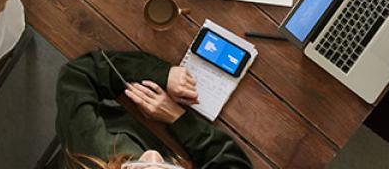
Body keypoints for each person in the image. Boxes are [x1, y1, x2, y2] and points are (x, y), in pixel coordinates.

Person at [55, 50, 252, 169]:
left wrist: (160, 74)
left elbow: (77, 77)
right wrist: (178, 119)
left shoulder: (91, 151)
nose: (153, 155)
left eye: (136, 168)